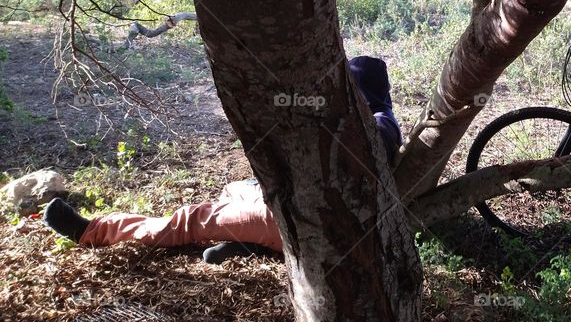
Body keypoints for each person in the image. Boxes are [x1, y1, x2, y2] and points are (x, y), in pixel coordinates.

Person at [43, 56, 402, 264]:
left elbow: (359, 150)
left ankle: (91, 231)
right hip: (308, 211)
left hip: (303, 217)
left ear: (356, 91)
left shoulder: (379, 126)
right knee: (234, 188)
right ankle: (250, 243)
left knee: (189, 220)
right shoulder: (379, 120)